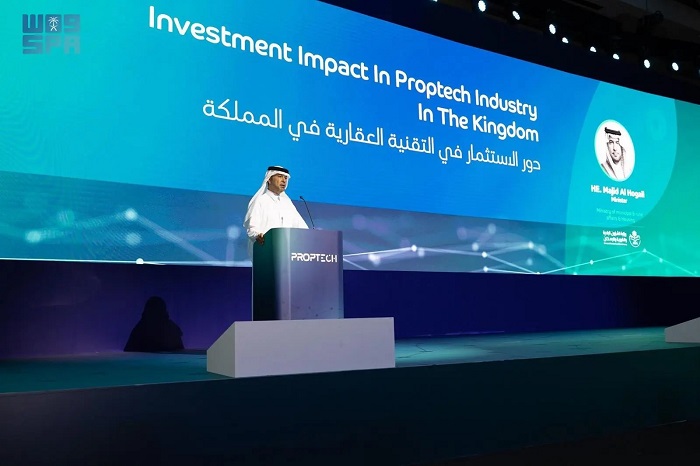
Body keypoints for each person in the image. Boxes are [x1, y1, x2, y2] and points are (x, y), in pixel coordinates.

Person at [243, 165, 308, 257]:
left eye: (286, 178)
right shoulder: (260, 201)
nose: (284, 180)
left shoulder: (287, 203)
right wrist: (257, 236)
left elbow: (301, 226)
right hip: (265, 251)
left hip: (287, 253)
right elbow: (252, 229)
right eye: (280, 176)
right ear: (269, 179)